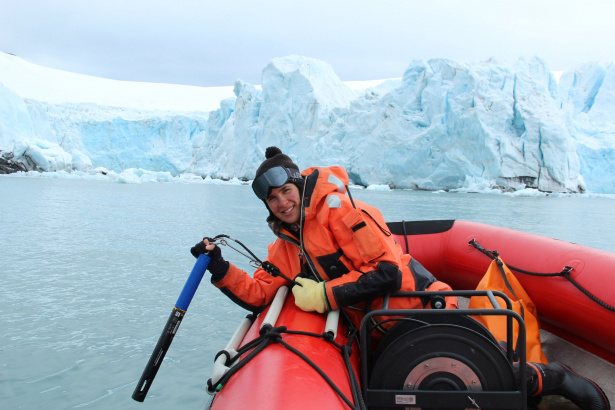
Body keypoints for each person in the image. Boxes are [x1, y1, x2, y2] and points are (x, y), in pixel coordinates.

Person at [192, 146, 609, 410]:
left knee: (493, 373)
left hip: (422, 308)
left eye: (286, 192)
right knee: (417, 389)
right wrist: (219, 267)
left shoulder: (345, 213)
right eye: (273, 198)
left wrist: (326, 294)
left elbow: (389, 273)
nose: (282, 202)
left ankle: (558, 378)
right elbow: (258, 294)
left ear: (299, 185)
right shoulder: (285, 247)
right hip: (379, 330)